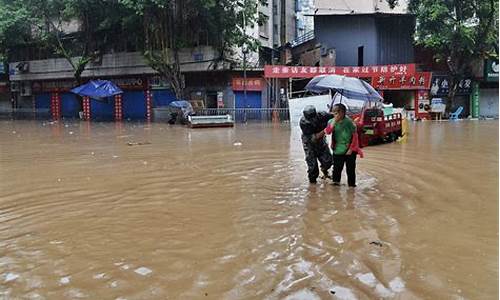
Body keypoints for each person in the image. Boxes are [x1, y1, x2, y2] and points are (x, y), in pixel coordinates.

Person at [324, 103, 363, 187]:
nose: (333, 114)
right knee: (337, 170)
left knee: (350, 170)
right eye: (333, 112)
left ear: (342, 113)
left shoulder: (349, 122)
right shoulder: (331, 121)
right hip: (338, 149)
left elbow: (355, 135)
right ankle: (336, 186)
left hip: (350, 150)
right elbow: (327, 132)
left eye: (336, 112)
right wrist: (334, 121)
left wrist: (351, 149)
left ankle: (352, 187)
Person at [299, 105, 334, 184]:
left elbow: (335, 116)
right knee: (313, 167)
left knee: (328, 161)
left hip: (321, 140)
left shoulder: (323, 115)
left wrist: (335, 120)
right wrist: (326, 130)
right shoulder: (304, 123)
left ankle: (325, 172)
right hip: (309, 142)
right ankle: (312, 187)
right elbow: (314, 138)